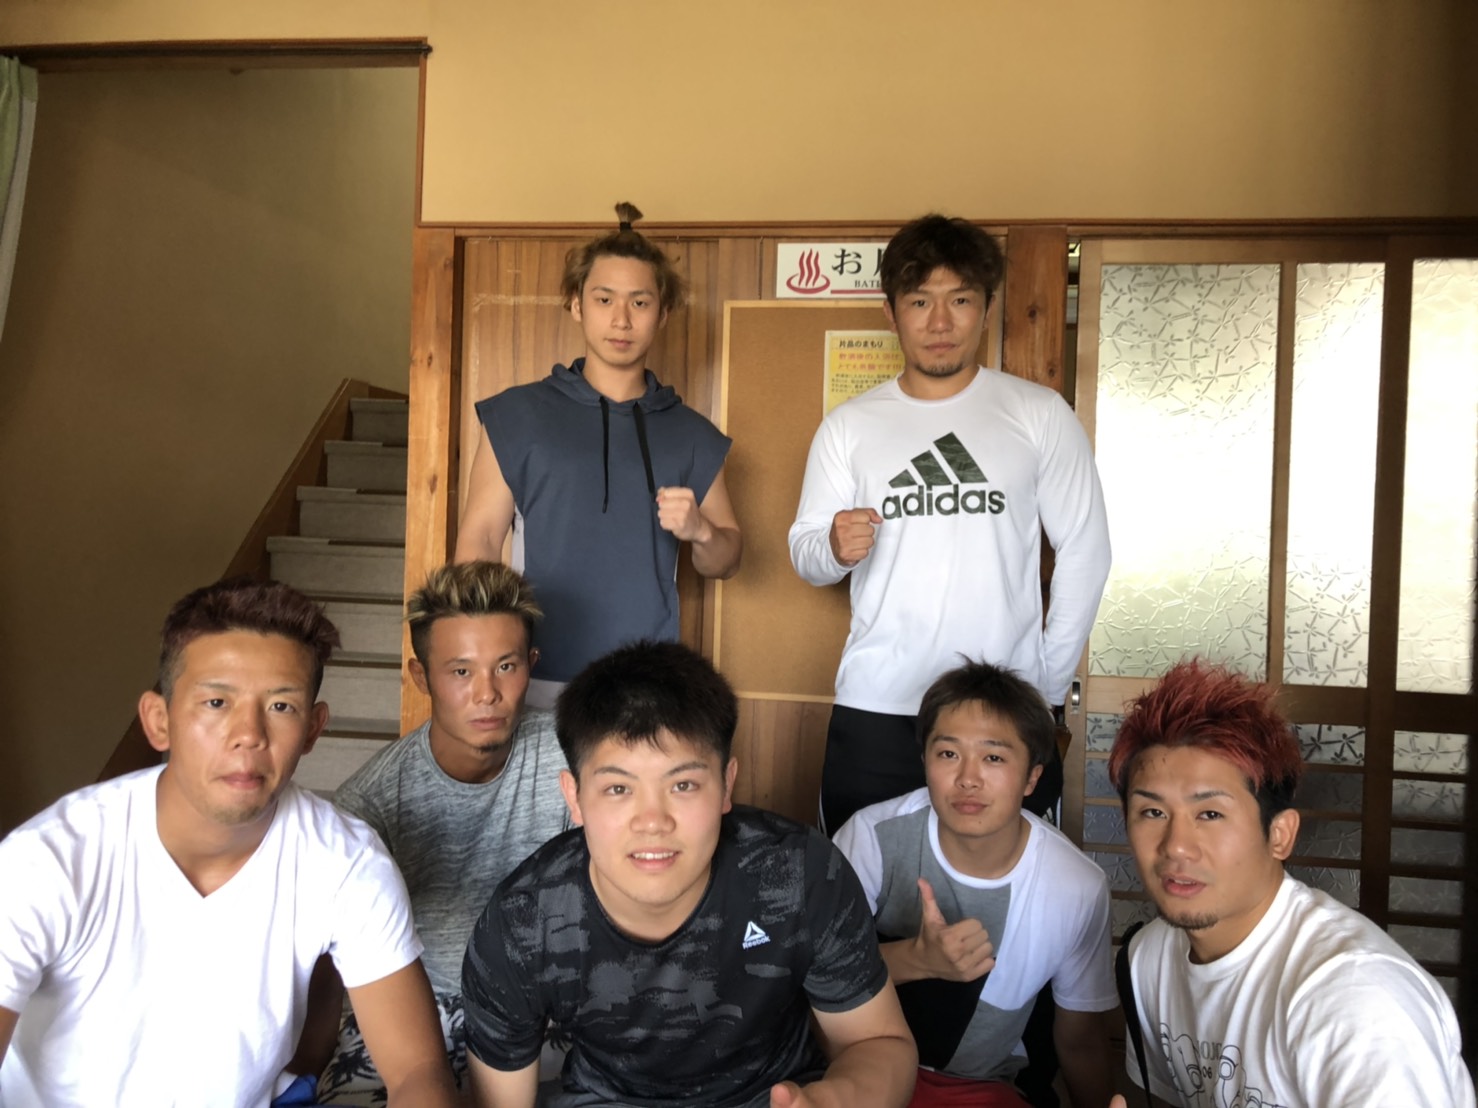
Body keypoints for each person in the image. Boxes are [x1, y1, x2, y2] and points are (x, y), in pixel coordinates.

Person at [0, 578, 456, 1108]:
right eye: (216, 702)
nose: (249, 734)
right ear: (159, 720)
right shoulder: (48, 863)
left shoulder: (347, 863)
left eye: (281, 706)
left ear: (313, 729)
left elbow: (416, 1071)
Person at [461, 640, 918, 1108]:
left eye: (683, 784)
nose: (652, 821)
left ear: (726, 785)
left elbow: (878, 1042)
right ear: (574, 797)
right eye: (618, 788)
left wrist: (833, 1100)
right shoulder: (521, 924)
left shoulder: (799, 874)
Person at [788, 214, 1110, 836]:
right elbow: (805, 552)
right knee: (859, 886)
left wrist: (1042, 686)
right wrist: (832, 547)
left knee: (1007, 888)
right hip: (878, 702)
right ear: (891, 312)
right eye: (920, 301)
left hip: (1002, 711)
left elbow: (1085, 550)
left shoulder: (1039, 414)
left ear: (986, 308)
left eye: (959, 300)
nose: (940, 322)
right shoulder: (849, 426)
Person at [1107, 660, 1475, 1108]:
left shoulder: (1358, 1000)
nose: (1176, 846)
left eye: (1210, 814)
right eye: (1153, 812)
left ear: (1280, 834)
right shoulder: (1149, 958)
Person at [455, 201, 741, 707]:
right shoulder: (518, 415)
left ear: (663, 313)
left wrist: (700, 530)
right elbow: (479, 540)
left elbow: (728, 558)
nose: (621, 319)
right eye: (604, 299)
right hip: (533, 674)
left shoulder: (692, 434)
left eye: (640, 302)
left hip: (646, 681)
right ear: (576, 305)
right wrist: (479, 665)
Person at [316, 561, 570, 1102]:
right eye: (460, 672)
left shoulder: (575, 757)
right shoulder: (369, 805)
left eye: (505, 666)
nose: (486, 693)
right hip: (419, 1010)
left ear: (531, 665)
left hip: (553, 1009)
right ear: (420, 676)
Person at [834, 661, 1114, 1108]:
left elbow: (1080, 1039)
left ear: (1032, 778)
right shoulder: (871, 838)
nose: (968, 778)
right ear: (924, 760)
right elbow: (808, 977)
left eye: (994, 758)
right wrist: (915, 959)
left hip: (979, 1088)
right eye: (948, 754)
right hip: (858, 1068)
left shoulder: (1076, 886)